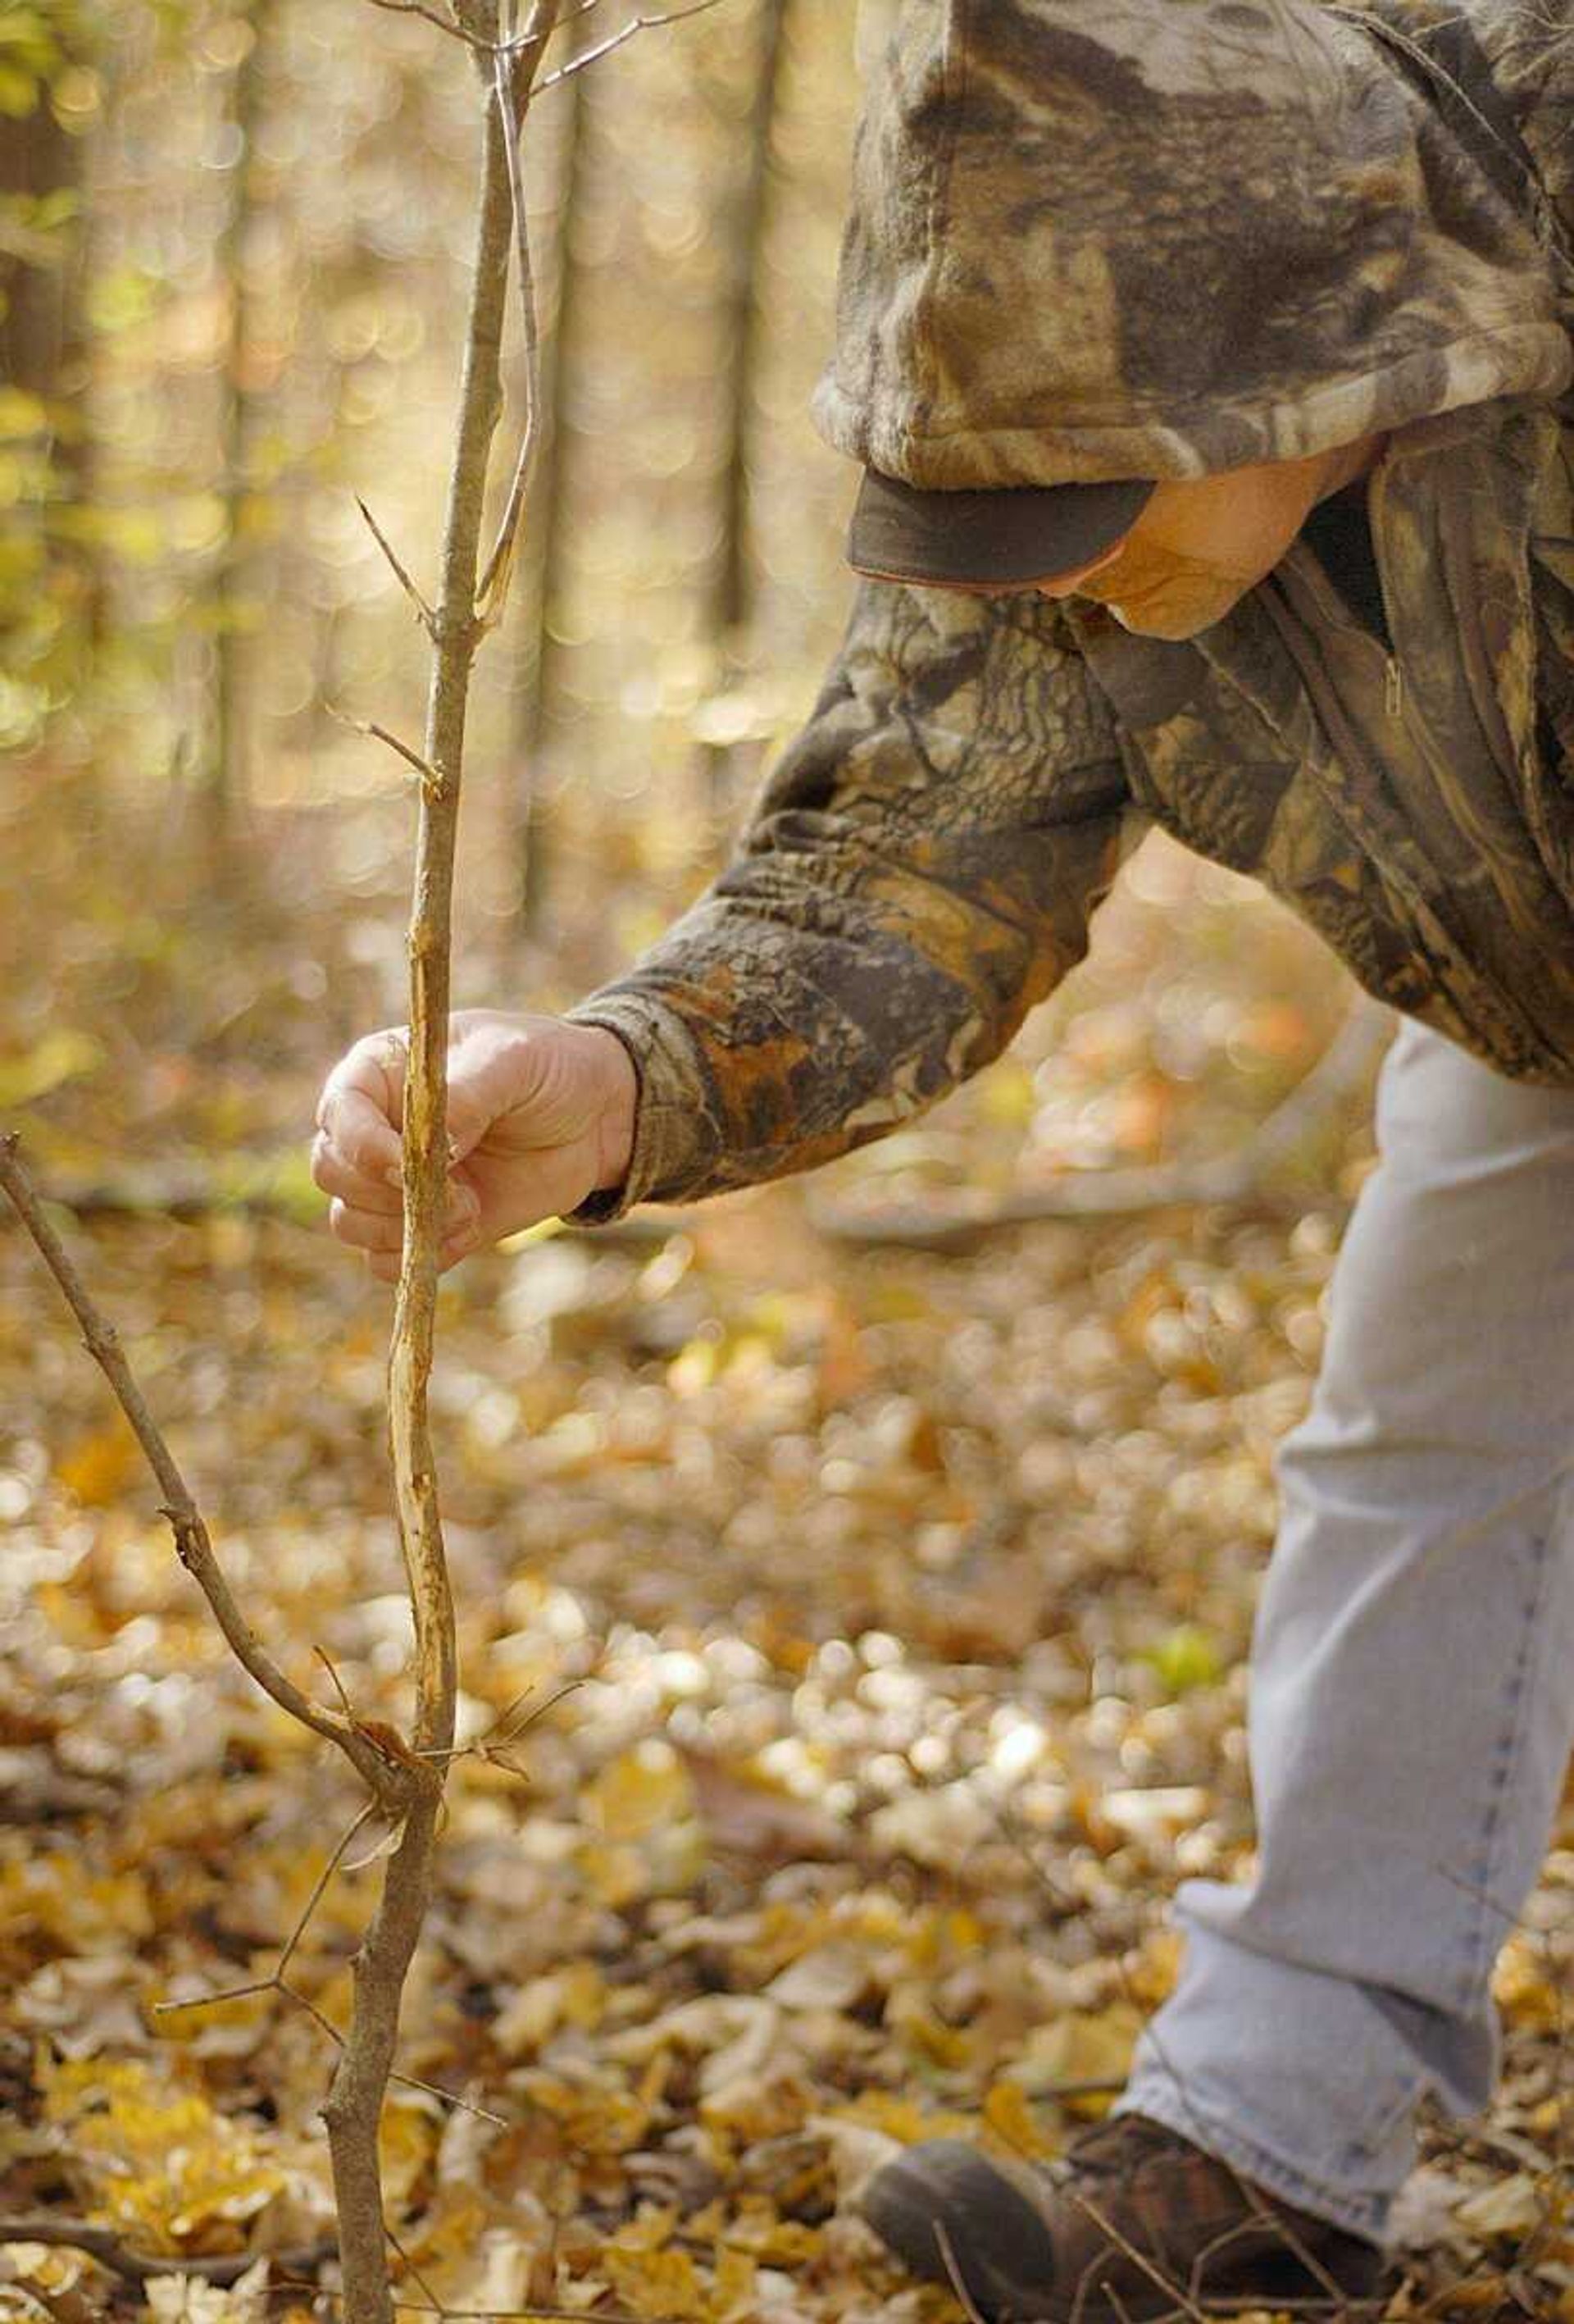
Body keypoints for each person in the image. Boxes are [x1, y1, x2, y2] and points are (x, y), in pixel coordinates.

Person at [312, 1, 1574, 2315]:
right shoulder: (1041, 423)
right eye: (1003, 530)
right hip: (1545, 1006)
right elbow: (910, 852)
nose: (1062, 579)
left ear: (1296, 353)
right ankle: (1271, 2164)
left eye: (1097, 515)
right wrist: (610, 1082)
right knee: (1420, 1442)